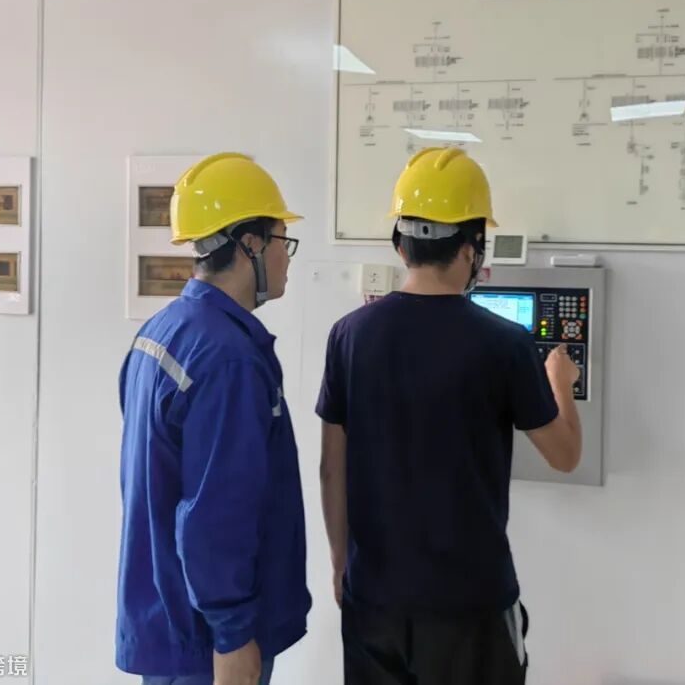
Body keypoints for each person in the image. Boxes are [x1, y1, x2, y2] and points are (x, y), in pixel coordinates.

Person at [316, 146, 582, 684]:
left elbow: (330, 467)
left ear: (400, 245)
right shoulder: (504, 343)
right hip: (471, 605)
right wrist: (562, 382)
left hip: (374, 602)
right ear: (472, 247)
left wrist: (341, 562)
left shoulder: (349, 335)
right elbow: (565, 455)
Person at [116, 153, 311, 685]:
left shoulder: (162, 331)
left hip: (171, 616)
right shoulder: (229, 359)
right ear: (250, 244)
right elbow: (215, 510)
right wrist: (233, 635)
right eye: (282, 239)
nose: (287, 257)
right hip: (207, 639)